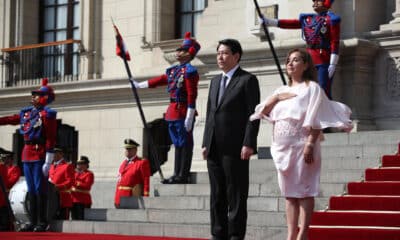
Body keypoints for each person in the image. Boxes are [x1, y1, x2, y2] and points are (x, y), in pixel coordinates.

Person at [250, 48, 353, 240]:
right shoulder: (281, 90)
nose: (290, 63)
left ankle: (303, 234)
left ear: (305, 65)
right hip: (281, 148)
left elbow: (317, 118)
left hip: (302, 145)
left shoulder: (312, 88)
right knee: (289, 194)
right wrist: (275, 98)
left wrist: (310, 144)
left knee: (305, 191)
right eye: (288, 60)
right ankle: (291, 234)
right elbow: (260, 112)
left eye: (296, 60)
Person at [201, 39, 260, 240]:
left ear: (236, 56)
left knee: (235, 194)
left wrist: (249, 143)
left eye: (225, 53)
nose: (220, 57)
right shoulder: (215, 82)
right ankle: (218, 233)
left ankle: (235, 235)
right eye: (218, 53)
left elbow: (253, 115)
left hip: (236, 148)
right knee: (216, 194)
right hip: (214, 147)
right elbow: (211, 114)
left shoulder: (247, 80)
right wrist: (205, 143)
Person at [134, 32, 201, 184]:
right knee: (177, 144)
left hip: (183, 110)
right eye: (178, 50)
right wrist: (140, 85)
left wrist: (190, 114)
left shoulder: (190, 71)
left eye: (182, 51)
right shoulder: (174, 70)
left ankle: (182, 174)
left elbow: (192, 94)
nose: (178, 53)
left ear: (189, 53)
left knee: (184, 144)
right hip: (173, 110)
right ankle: (176, 173)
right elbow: (159, 80)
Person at [0, 78, 57, 232]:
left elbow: (51, 138)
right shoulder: (26, 113)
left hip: (39, 154)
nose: (33, 97)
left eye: (37, 95)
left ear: (45, 98)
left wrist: (48, 160)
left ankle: (42, 221)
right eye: (33, 95)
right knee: (31, 189)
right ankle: (32, 221)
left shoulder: (48, 115)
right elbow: (11, 119)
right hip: (27, 153)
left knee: (40, 189)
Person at [261, 0, 340, 99]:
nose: (315, 3)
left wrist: (333, 62)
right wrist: (270, 22)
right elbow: (292, 24)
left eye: (318, 1)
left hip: (323, 59)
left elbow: (334, 41)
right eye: (314, 1)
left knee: (323, 90)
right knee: (306, 88)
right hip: (308, 60)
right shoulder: (308, 19)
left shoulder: (331, 20)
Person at [114, 139, 151, 208]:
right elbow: (119, 180)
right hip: (119, 197)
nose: (127, 151)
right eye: (126, 149)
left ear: (135, 150)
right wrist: (116, 197)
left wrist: (146, 196)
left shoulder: (141, 162)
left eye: (130, 149)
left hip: (131, 196)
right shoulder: (124, 163)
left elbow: (146, 180)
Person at [48, 147, 74, 220]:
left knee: (63, 219)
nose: (53, 155)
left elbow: (70, 181)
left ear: (61, 154)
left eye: (55, 153)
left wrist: (58, 187)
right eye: (53, 153)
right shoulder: (51, 166)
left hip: (63, 197)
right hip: (52, 198)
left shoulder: (67, 166)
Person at [71, 155, 94, 220]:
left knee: (81, 218)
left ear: (85, 165)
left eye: (80, 164)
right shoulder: (75, 173)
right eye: (78, 164)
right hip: (74, 198)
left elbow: (87, 185)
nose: (78, 165)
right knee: (74, 217)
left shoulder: (89, 174)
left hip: (83, 199)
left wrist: (76, 183)